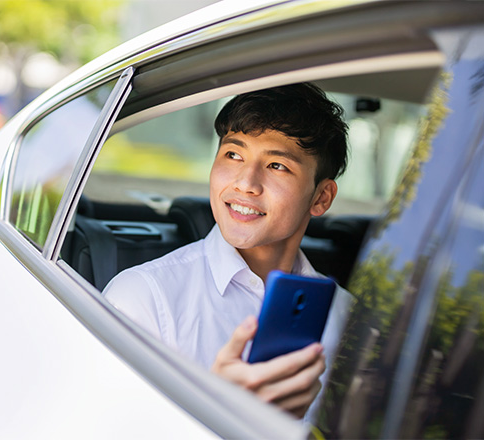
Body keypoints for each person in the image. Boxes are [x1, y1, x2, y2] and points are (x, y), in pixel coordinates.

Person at [103, 83, 354, 419]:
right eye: (233, 154)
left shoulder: (348, 317)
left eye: (277, 165)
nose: (245, 182)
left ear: (321, 198)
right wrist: (217, 409)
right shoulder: (143, 298)